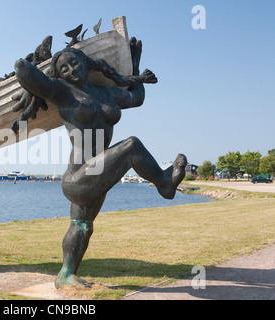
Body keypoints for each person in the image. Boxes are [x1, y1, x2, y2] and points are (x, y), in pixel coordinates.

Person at [13, 37, 187, 288]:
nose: (71, 70)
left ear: (86, 62)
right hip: (78, 177)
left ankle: (66, 275)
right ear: (58, 75)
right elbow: (22, 68)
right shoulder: (62, 92)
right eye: (64, 69)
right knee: (132, 146)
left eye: (74, 63)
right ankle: (164, 183)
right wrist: (33, 74)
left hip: (98, 170)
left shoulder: (106, 93)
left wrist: (134, 67)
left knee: (82, 225)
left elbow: (136, 97)